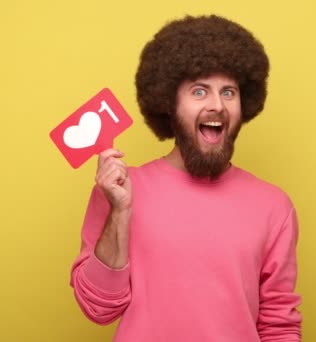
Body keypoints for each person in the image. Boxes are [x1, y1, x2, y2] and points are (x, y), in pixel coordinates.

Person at [70, 14, 302, 341]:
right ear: (169, 103)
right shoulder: (119, 191)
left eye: (229, 92)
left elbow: (279, 324)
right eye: (199, 92)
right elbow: (98, 309)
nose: (217, 106)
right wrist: (119, 212)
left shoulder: (274, 206)